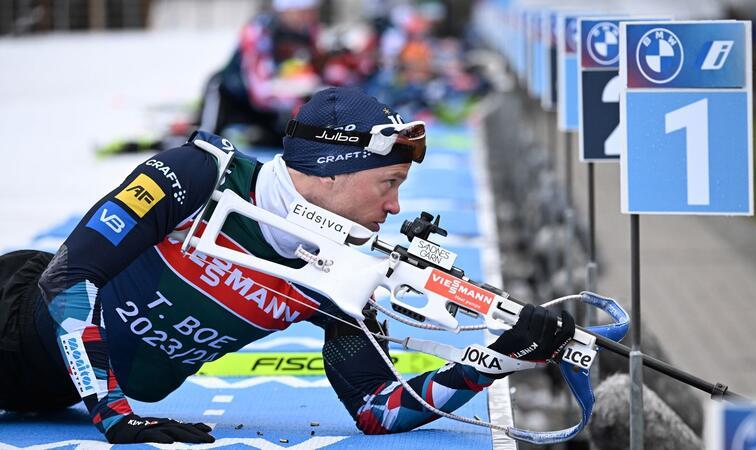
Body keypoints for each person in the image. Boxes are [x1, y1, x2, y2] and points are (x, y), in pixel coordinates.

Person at [0, 87, 575, 444]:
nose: (395, 206)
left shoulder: (341, 268)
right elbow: (67, 281)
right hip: (11, 321)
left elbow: (379, 410)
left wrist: (490, 361)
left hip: (52, 393)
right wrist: (113, 412)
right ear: (331, 170)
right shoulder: (196, 176)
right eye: (389, 183)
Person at [198, 0, 323, 148]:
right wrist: (302, 96)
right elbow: (259, 91)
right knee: (207, 144)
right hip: (232, 98)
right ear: (286, 10)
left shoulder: (309, 31)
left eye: (312, 11)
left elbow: (315, 73)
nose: (309, 17)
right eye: (303, 12)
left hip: (273, 107)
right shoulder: (259, 30)